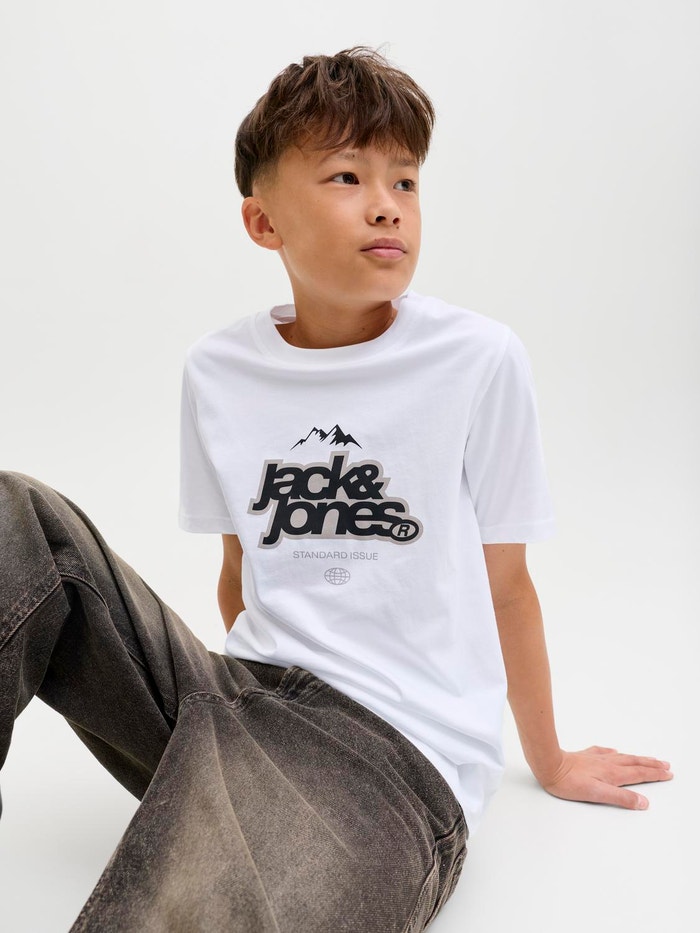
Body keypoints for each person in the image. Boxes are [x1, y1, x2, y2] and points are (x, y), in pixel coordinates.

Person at [0, 47, 672, 932]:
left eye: (406, 180)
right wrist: (239, 725)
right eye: (348, 176)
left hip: (389, 763)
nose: (387, 203)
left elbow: (507, 585)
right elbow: (240, 572)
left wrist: (547, 758)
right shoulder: (218, 369)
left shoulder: (475, 360)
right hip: (238, 701)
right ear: (263, 221)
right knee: (15, 519)